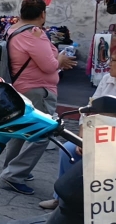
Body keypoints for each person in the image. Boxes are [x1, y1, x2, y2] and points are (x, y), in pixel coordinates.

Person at [0, 0, 77, 195]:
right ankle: (14, 174)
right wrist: (60, 59)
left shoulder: (14, 29)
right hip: (37, 90)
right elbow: (50, 65)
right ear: (42, 14)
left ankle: (12, 168)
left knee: (21, 130)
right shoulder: (33, 34)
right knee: (43, 133)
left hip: (22, 88)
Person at [39, 53, 116, 209]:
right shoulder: (107, 80)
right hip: (99, 134)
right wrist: (84, 136)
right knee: (68, 150)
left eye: (113, 60)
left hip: (111, 140)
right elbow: (88, 110)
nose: (109, 63)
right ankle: (61, 200)